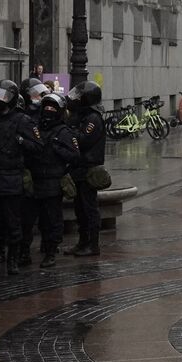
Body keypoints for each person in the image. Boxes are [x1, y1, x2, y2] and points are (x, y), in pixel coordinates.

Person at [0, 80, 42, 273]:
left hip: (12, 179)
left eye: (4, 96)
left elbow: (37, 147)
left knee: (13, 222)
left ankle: (12, 260)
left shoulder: (23, 121)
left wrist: (21, 141)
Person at [23, 92, 79, 268]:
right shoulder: (36, 128)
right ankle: (24, 253)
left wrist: (57, 150)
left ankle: (51, 251)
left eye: (53, 108)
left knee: (51, 221)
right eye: (46, 107)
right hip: (35, 181)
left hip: (53, 183)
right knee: (27, 220)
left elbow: (74, 156)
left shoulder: (64, 132)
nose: (49, 110)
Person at [66, 81, 106, 257]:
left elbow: (83, 140)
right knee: (79, 209)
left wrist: (69, 132)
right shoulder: (80, 116)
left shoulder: (93, 118)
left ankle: (93, 244)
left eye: (79, 96)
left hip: (88, 169)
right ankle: (82, 242)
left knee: (89, 209)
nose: (75, 99)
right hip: (78, 168)